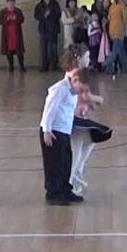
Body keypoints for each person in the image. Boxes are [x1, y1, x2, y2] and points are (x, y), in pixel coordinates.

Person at [64, 44, 112, 197]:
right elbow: (86, 96)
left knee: (89, 143)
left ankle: (76, 174)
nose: (89, 59)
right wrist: (99, 99)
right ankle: (71, 182)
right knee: (77, 151)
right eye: (87, 56)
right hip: (74, 119)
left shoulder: (76, 73)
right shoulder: (77, 76)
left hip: (77, 117)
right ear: (79, 58)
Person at [40, 66, 92, 206]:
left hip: (64, 131)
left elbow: (68, 108)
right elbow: (49, 109)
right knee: (54, 164)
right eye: (81, 89)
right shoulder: (60, 89)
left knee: (65, 162)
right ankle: (53, 194)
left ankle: (65, 190)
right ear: (75, 80)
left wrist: (80, 112)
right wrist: (46, 130)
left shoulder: (73, 92)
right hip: (53, 131)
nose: (81, 93)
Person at [34, 0, 62, 72]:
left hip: (53, 29)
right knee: (44, 48)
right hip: (43, 29)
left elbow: (58, 14)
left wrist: (50, 15)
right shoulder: (39, 5)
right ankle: (44, 66)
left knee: (53, 48)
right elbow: (36, 16)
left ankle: (54, 65)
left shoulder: (55, 4)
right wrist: (44, 16)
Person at [104, 0, 127, 75]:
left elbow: (109, 18)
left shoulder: (112, 6)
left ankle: (125, 68)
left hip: (112, 30)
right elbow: (125, 19)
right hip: (119, 31)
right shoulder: (122, 6)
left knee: (121, 51)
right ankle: (106, 66)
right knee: (115, 52)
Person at [0, 0, 27, 72]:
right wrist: (7, 20)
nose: (11, 5)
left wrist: (15, 19)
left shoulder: (18, 11)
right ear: (6, 4)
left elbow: (22, 19)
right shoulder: (3, 12)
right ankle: (11, 66)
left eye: (12, 3)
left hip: (16, 35)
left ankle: (22, 66)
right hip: (7, 35)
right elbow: (0, 21)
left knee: (19, 51)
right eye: (9, 3)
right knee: (8, 51)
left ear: (14, 4)